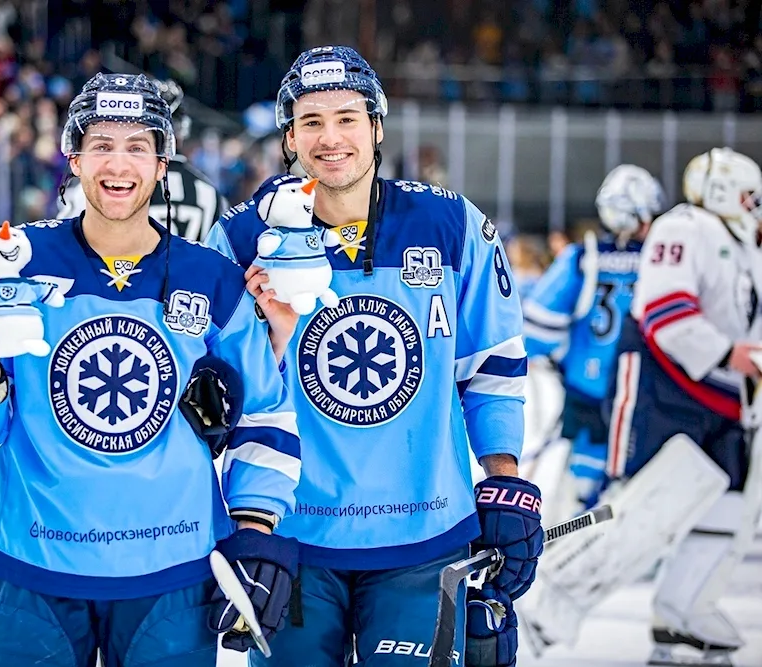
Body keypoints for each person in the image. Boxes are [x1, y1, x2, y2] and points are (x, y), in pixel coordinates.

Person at [0, 73, 301, 667]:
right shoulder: (6, 264)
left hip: (172, 572)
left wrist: (254, 527)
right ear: (73, 158)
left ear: (162, 162)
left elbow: (267, 412)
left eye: (136, 147)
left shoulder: (211, 278)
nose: (117, 164)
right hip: (32, 563)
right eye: (100, 144)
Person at [206, 46, 541, 667]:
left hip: (425, 539)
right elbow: (218, 398)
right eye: (311, 122)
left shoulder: (452, 225)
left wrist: (503, 483)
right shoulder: (239, 239)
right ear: (289, 139)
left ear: (378, 127)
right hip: (293, 537)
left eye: (347, 118)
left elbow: (491, 367)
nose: (330, 138)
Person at [522, 147, 762, 665]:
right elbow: (664, 313)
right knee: (630, 507)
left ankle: (682, 616)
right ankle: (543, 606)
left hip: (680, 399)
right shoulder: (684, 230)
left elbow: (536, 329)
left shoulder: (732, 245)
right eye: (749, 197)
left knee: (717, 515)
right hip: (654, 395)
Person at [521, 164, 666, 518]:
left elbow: (536, 327)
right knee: (635, 479)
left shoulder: (584, 257)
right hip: (644, 392)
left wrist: (559, 357)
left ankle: (579, 534)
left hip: (587, 388)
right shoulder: (660, 260)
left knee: (583, 483)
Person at [58, 78, 227, 243]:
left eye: (136, 148)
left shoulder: (95, 187)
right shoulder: (209, 191)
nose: (118, 167)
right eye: (103, 147)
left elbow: (65, 241)